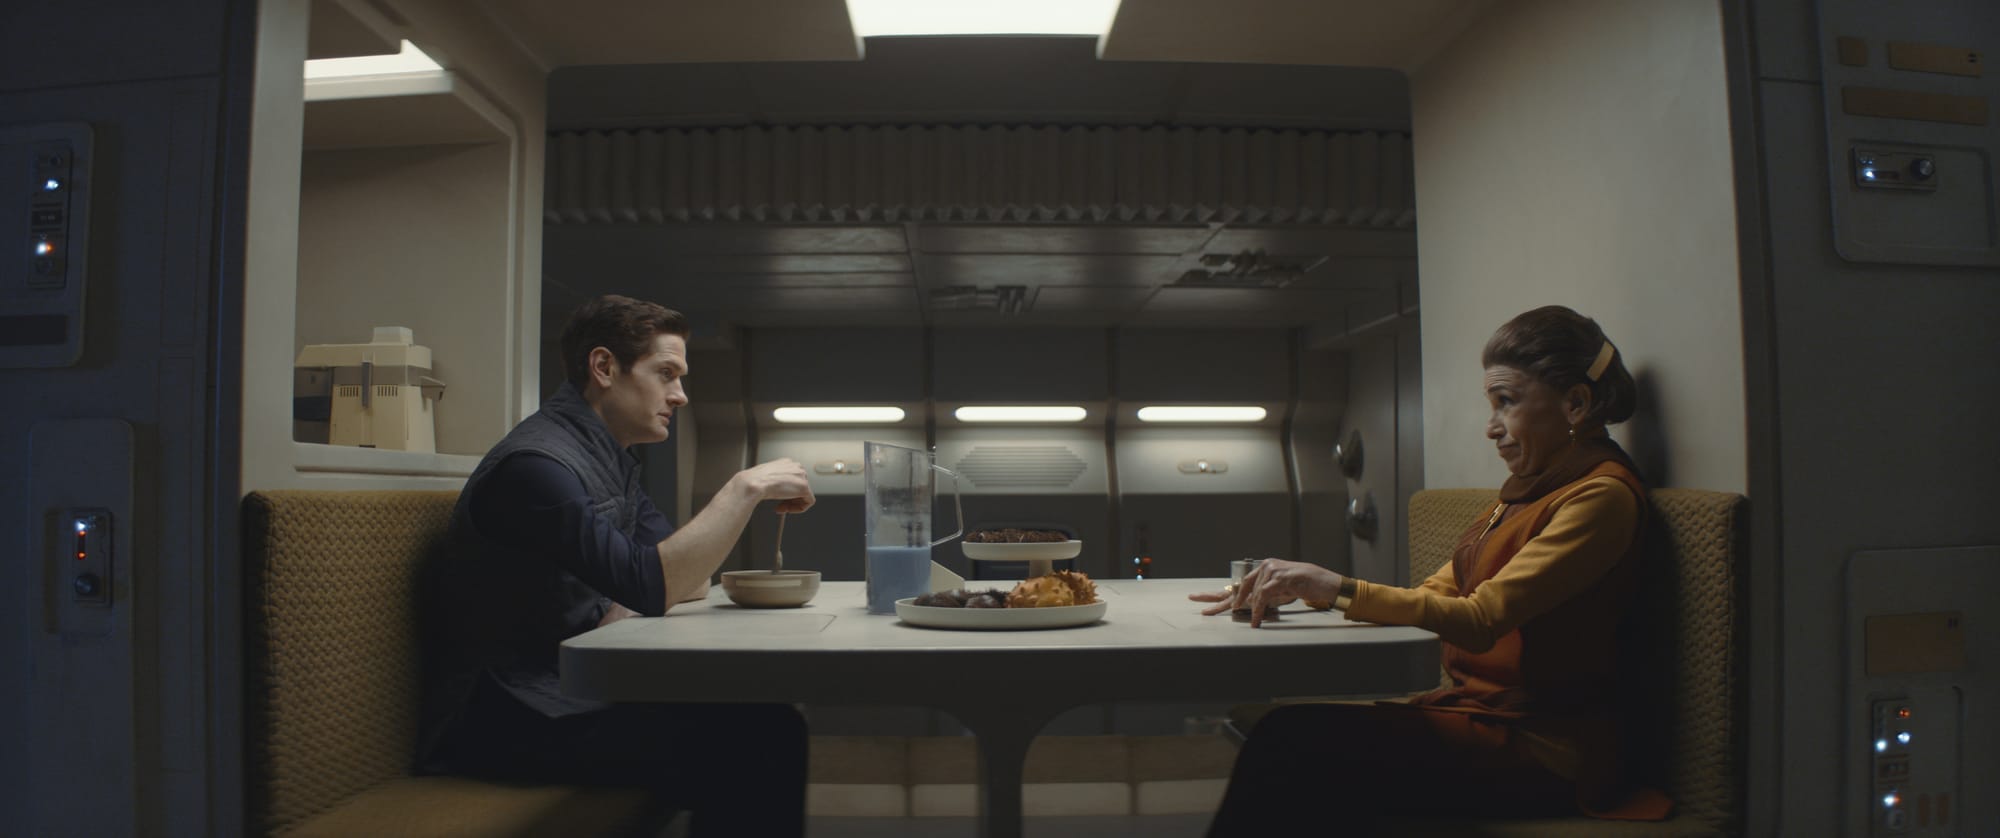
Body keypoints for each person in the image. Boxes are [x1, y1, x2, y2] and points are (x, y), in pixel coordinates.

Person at [1192, 305, 1670, 834]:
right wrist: (1311, 590)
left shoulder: (1599, 498)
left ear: (1576, 403)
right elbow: (1431, 595)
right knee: (1290, 743)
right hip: (1485, 718)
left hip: (1546, 747)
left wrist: (1335, 588)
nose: (1491, 428)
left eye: (1505, 402)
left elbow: (1479, 618)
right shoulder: (1533, 493)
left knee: (1288, 741)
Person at [418, 294, 817, 837]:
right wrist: (745, 487)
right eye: (666, 374)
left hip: (562, 695)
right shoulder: (536, 467)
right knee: (763, 739)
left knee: (762, 719)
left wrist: (630, 592)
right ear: (604, 367)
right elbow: (657, 581)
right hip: (505, 717)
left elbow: (682, 575)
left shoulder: (611, 457)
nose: (679, 395)